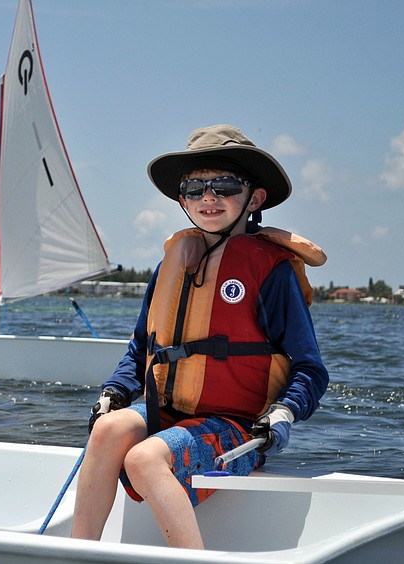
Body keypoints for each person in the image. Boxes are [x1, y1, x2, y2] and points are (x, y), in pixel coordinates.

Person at [71, 124, 329, 549]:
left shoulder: (272, 271)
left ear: (255, 198)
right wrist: (115, 392)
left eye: (224, 185)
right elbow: (142, 349)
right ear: (181, 200)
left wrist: (284, 413)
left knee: (143, 458)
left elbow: (310, 369)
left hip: (239, 428)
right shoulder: (170, 266)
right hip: (172, 413)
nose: (208, 198)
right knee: (107, 431)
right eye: (194, 189)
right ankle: (77, 555)